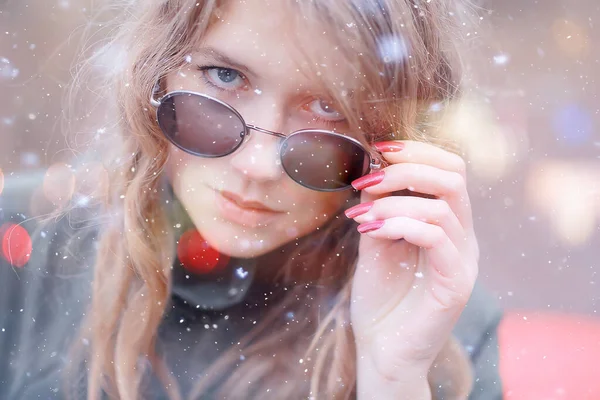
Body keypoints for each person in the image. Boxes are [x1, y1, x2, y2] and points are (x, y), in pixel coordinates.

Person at [0, 0, 503, 399]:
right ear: (159, 70)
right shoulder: (23, 234)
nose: (258, 165)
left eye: (329, 107)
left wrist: (392, 378)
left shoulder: (437, 316)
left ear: (393, 137)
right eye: (224, 76)